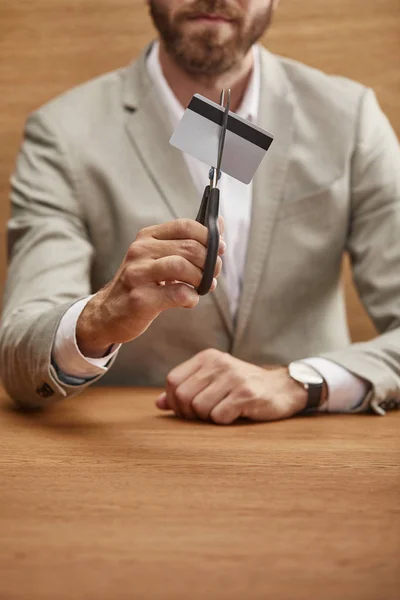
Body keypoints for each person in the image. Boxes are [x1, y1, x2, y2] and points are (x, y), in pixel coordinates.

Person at [1, 0, 400, 422]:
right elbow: (19, 359)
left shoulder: (349, 119)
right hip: (138, 447)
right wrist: (98, 319)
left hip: (315, 448)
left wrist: (303, 382)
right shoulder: (64, 134)